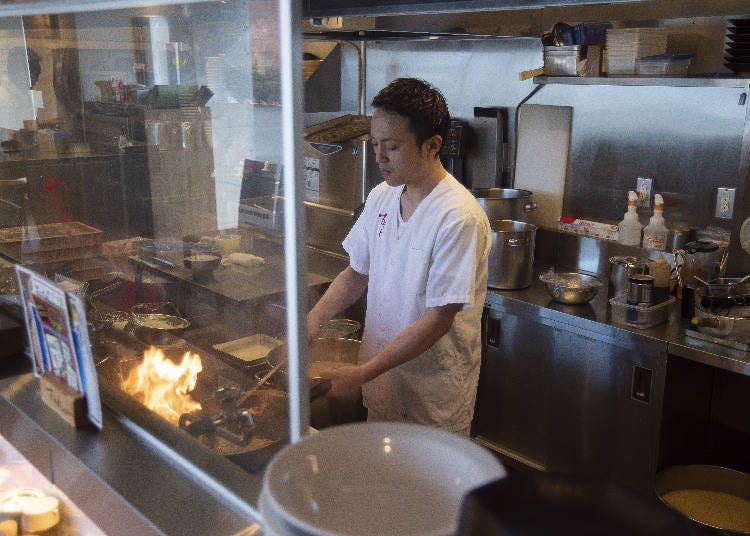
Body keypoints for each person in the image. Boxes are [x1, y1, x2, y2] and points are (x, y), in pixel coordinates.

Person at [306, 78, 491, 436]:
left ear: (432, 145)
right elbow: (356, 273)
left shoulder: (458, 217)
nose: (379, 157)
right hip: (383, 386)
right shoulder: (382, 196)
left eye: (391, 146)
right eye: (375, 144)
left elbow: (439, 319)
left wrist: (363, 372)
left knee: (427, 489)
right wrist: (313, 319)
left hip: (431, 398)